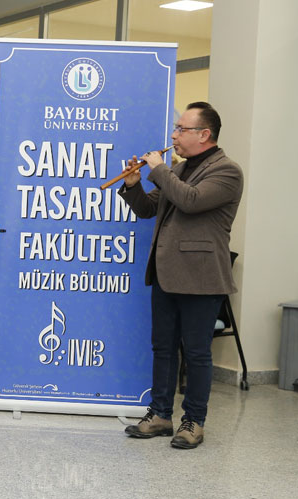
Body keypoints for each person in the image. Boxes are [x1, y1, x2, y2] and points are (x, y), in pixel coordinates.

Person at [119, 102, 243, 449]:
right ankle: (160, 414)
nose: (173, 135)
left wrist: (159, 170)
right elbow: (148, 209)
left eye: (181, 129)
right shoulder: (181, 169)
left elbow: (189, 201)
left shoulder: (227, 172)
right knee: (163, 347)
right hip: (165, 273)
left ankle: (194, 421)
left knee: (197, 352)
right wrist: (133, 185)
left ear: (204, 135)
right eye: (175, 129)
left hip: (202, 277)